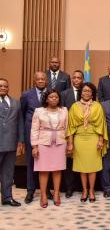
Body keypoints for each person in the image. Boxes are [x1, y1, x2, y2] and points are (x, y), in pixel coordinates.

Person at [67, 82, 108, 203]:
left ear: (92, 93)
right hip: (79, 139)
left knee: (92, 167)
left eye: (89, 91)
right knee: (82, 167)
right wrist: (70, 143)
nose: (86, 93)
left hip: (93, 138)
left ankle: (91, 190)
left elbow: (102, 124)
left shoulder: (97, 106)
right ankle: (84, 190)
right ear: (81, 92)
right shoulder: (74, 106)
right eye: (84, 91)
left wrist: (101, 140)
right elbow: (70, 126)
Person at [31, 89, 68, 208]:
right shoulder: (39, 111)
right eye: (51, 97)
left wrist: (69, 143)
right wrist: (34, 146)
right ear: (46, 99)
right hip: (43, 143)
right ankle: (43, 195)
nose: (54, 99)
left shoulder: (64, 110)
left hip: (60, 143)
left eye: (56, 97)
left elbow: (67, 128)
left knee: (57, 169)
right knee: (44, 170)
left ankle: (56, 194)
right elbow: (34, 129)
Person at [21, 71, 52, 204]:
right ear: (34, 81)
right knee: (31, 162)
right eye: (38, 79)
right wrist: (22, 137)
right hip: (31, 133)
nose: (40, 81)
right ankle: (30, 190)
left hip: (47, 135)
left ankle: (47, 190)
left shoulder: (52, 94)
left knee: (47, 163)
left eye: (43, 79)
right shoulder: (26, 94)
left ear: (47, 81)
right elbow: (22, 115)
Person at [0, 78, 24, 207]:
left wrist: (21, 140)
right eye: (1, 86)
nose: (3, 88)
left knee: (8, 172)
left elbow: (20, 122)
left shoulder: (15, 102)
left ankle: (7, 197)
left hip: (11, 143)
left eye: (5, 86)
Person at [61, 70, 84, 198]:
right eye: (74, 78)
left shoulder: (87, 93)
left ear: (82, 79)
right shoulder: (64, 94)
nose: (76, 80)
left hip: (84, 133)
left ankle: (82, 186)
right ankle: (69, 188)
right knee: (69, 161)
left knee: (82, 159)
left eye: (79, 78)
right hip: (69, 132)